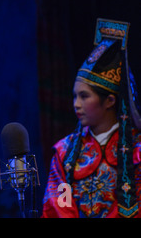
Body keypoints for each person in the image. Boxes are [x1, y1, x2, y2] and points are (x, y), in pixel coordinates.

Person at [42, 18, 141, 218]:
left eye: (84, 96)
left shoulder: (137, 150)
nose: (76, 104)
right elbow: (56, 206)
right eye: (74, 96)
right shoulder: (64, 152)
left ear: (110, 101)